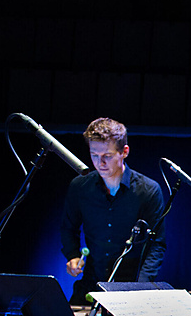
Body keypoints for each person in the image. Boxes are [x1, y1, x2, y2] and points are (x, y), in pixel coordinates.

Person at [60, 117, 166, 304]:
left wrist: (141, 287)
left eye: (107, 156)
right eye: (94, 155)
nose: (100, 162)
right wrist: (73, 255)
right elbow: (69, 227)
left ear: (124, 152)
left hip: (131, 286)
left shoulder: (148, 190)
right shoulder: (80, 187)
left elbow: (156, 244)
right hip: (92, 281)